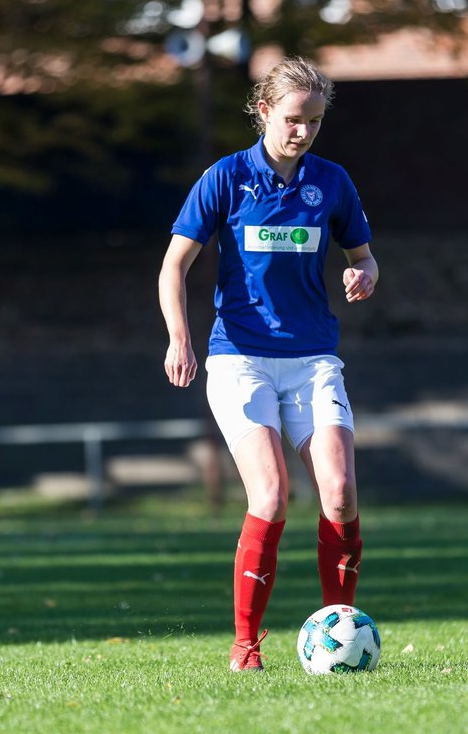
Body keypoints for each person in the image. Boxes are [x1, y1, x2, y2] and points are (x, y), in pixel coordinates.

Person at [157, 56, 379, 672]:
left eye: (313, 121)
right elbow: (174, 265)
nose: (301, 131)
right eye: (291, 119)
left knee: (338, 492)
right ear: (262, 111)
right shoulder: (226, 178)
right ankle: (246, 646)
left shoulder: (331, 182)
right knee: (273, 494)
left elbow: (365, 255)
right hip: (241, 362)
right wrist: (181, 338)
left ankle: (340, 633)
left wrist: (363, 271)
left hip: (312, 360)